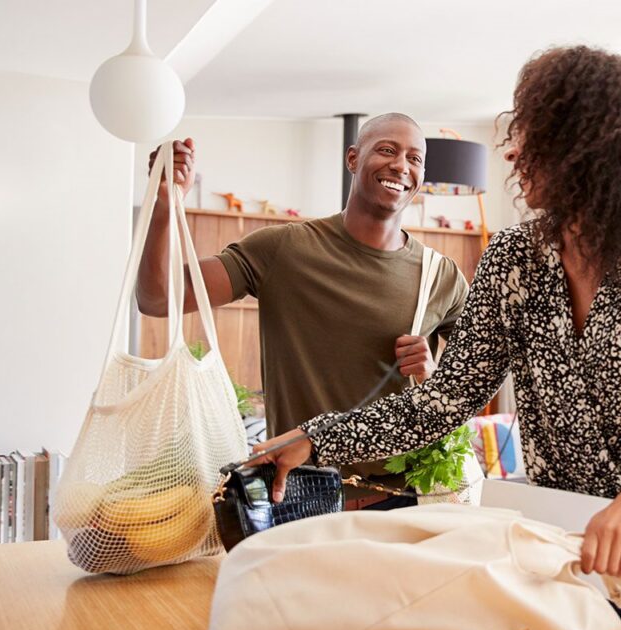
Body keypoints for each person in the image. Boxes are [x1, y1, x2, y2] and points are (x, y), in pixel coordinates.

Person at [250, 47, 621, 630]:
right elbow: (441, 401)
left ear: (586, 141)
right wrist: (319, 436)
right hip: (565, 555)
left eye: (532, 134)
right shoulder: (516, 259)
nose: (514, 154)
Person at [137, 113, 469, 510]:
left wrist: (434, 373)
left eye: (415, 158)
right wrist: (162, 203)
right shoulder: (284, 249)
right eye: (387, 150)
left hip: (403, 497)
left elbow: (471, 382)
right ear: (352, 158)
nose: (401, 165)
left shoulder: (440, 275)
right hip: (297, 492)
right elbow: (158, 297)